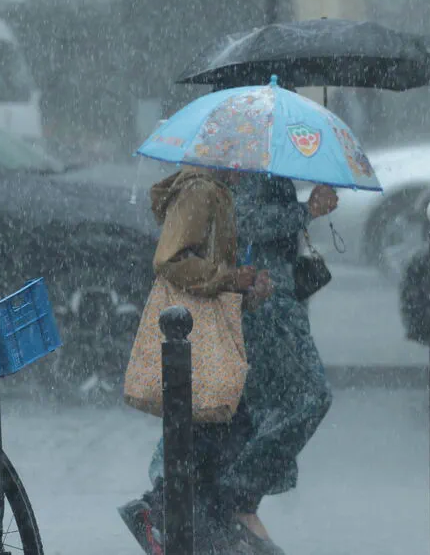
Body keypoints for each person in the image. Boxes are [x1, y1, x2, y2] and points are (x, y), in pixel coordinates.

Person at [137, 172, 339, 554]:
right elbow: (241, 220)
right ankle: (223, 504)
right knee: (304, 398)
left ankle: (192, 510)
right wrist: (305, 211)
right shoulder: (237, 163)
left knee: (231, 411)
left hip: (259, 299)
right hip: (259, 305)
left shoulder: (254, 160)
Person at [119, 165, 274, 554]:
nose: (247, 169)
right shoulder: (200, 191)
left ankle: (191, 525)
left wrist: (246, 287)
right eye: (241, 159)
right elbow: (169, 260)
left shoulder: (216, 190)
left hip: (203, 331)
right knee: (220, 428)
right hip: (191, 335)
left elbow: (208, 268)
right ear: (221, 153)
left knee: (217, 431)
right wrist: (227, 277)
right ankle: (161, 513)